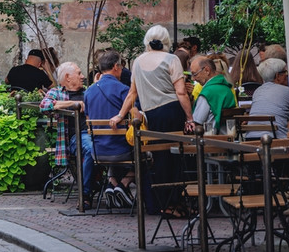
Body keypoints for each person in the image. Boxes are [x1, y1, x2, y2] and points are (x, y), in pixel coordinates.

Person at [110, 25, 194, 216]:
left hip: (153, 114)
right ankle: (175, 202)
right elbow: (180, 92)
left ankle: (164, 203)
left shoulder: (138, 62)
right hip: (173, 111)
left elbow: (132, 93)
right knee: (177, 157)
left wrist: (120, 115)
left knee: (160, 158)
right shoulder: (172, 59)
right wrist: (190, 118)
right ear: (166, 41)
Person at [40, 62, 94, 209]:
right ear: (68, 77)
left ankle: (116, 186)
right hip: (77, 136)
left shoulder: (89, 91)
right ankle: (86, 195)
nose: (83, 76)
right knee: (91, 149)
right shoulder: (56, 92)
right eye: (79, 73)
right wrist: (72, 104)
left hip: (98, 133)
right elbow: (45, 106)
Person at [84, 50, 134, 208]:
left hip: (98, 152)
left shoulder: (89, 91)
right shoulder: (123, 90)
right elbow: (136, 117)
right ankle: (123, 184)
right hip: (122, 151)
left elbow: (87, 119)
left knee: (111, 145)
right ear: (116, 67)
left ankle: (112, 183)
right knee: (147, 156)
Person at [245, 58, 289, 139]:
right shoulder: (288, 91)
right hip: (276, 140)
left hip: (250, 139)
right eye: (285, 72)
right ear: (278, 76)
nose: (287, 75)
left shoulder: (257, 91)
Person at [189, 56, 236, 135]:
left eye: (195, 74)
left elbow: (197, 122)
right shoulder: (227, 89)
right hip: (227, 139)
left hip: (209, 140)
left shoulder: (207, 93)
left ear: (207, 70)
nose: (193, 79)